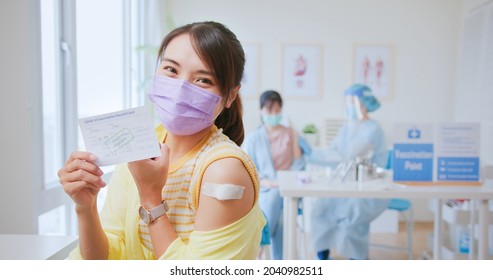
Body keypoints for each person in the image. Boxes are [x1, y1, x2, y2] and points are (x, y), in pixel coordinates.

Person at [57, 21, 266, 260]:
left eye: (203, 80)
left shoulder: (223, 170)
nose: (179, 90)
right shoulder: (141, 144)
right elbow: (102, 259)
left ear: (230, 96)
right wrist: (86, 208)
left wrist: (151, 196)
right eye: (171, 70)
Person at [310, 84, 389, 260]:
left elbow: (349, 155)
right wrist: (313, 153)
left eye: (352, 102)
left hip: (369, 185)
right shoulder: (347, 128)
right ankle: (323, 254)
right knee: (321, 209)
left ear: (364, 104)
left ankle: (356, 260)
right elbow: (333, 150)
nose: (348, 107)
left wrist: (314, 157)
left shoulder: (373, 129)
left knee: (350, 215)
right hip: (346, 181)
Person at [242, 90, 311, 260]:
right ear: (261, 111)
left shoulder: (290, 133)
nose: (274, 114)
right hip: (264, 191)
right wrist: (267, 183)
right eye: (269, 110)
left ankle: (258, 244)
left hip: (288, 188)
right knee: (279, 216)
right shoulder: (254, 139)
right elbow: (249, 170)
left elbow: (299, 163)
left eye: (277, 110)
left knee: (277, 196)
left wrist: (294, 137)